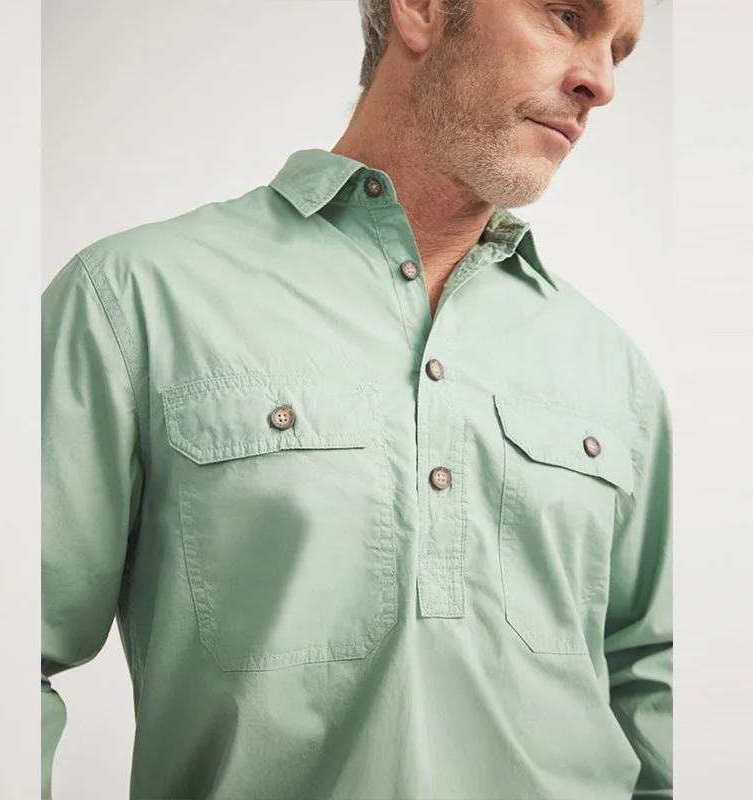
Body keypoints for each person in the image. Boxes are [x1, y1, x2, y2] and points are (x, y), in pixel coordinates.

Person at [41, 0, 672, 798]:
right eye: (567, 15)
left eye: (621, 50)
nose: (601, 83)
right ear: (423, 10)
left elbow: (658, 677)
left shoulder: (614, 371)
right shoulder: (132, 300)